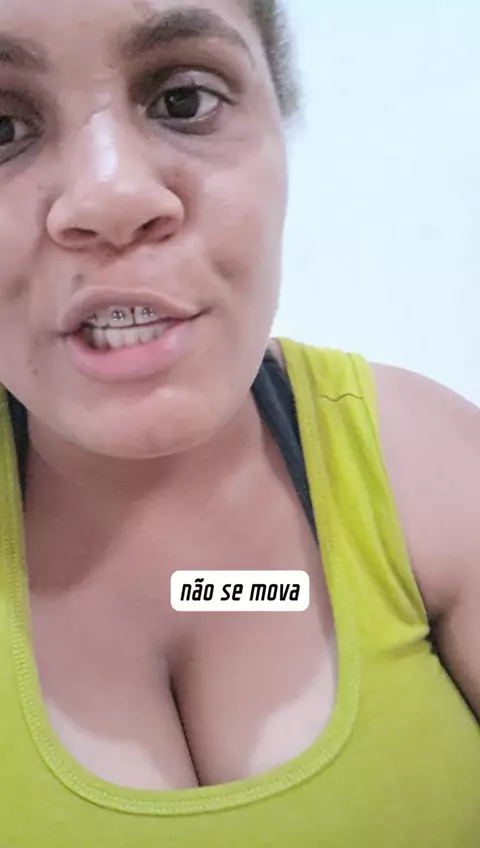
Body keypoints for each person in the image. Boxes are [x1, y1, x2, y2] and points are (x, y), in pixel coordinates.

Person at [0, 0, 478, 844]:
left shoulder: (433, 472)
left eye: (182, 100)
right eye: (3, 128)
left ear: (278, 127)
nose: (111, 197)